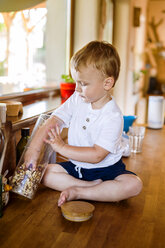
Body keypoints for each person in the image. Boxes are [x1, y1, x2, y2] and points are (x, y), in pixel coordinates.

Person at [27, 41, 143, 206]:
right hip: (77, 168)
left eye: (83, 83)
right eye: (76, 82)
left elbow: (97, 155)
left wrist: (62, 148)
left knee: (134, 184)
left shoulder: (113, 116)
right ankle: (92, 188)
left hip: (107, 170)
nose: (77, 89)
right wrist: (32, 152)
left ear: (107, 83)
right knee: (43, 174)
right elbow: (53, 121)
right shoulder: (77, 99)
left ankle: (80, 191)